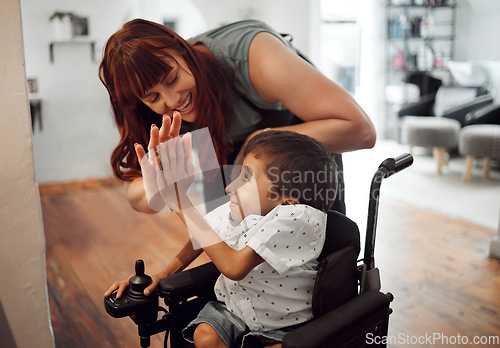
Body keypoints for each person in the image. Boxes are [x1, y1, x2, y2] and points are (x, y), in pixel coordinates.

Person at [102, 18, 375, 299]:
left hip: (298, 153)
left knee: (323, 274)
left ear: (182, 49)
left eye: (172, 79)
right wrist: (164, 271)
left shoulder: (254, 56)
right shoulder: (154, 114)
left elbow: (363, 131)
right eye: (152, 97)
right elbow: (215, 226)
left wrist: (258, 143)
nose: (172, 101)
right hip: (237, 147)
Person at [142, 128, 337, 348]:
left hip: (286, 325)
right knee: (205, 336)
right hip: (234, 310)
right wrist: (162, 275)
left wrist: (180, 202)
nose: (229, 188)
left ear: (286, 200)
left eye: (245, 179)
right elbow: (205, 234)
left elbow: (234, 267)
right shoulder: (250, 208)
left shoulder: (300, 218)